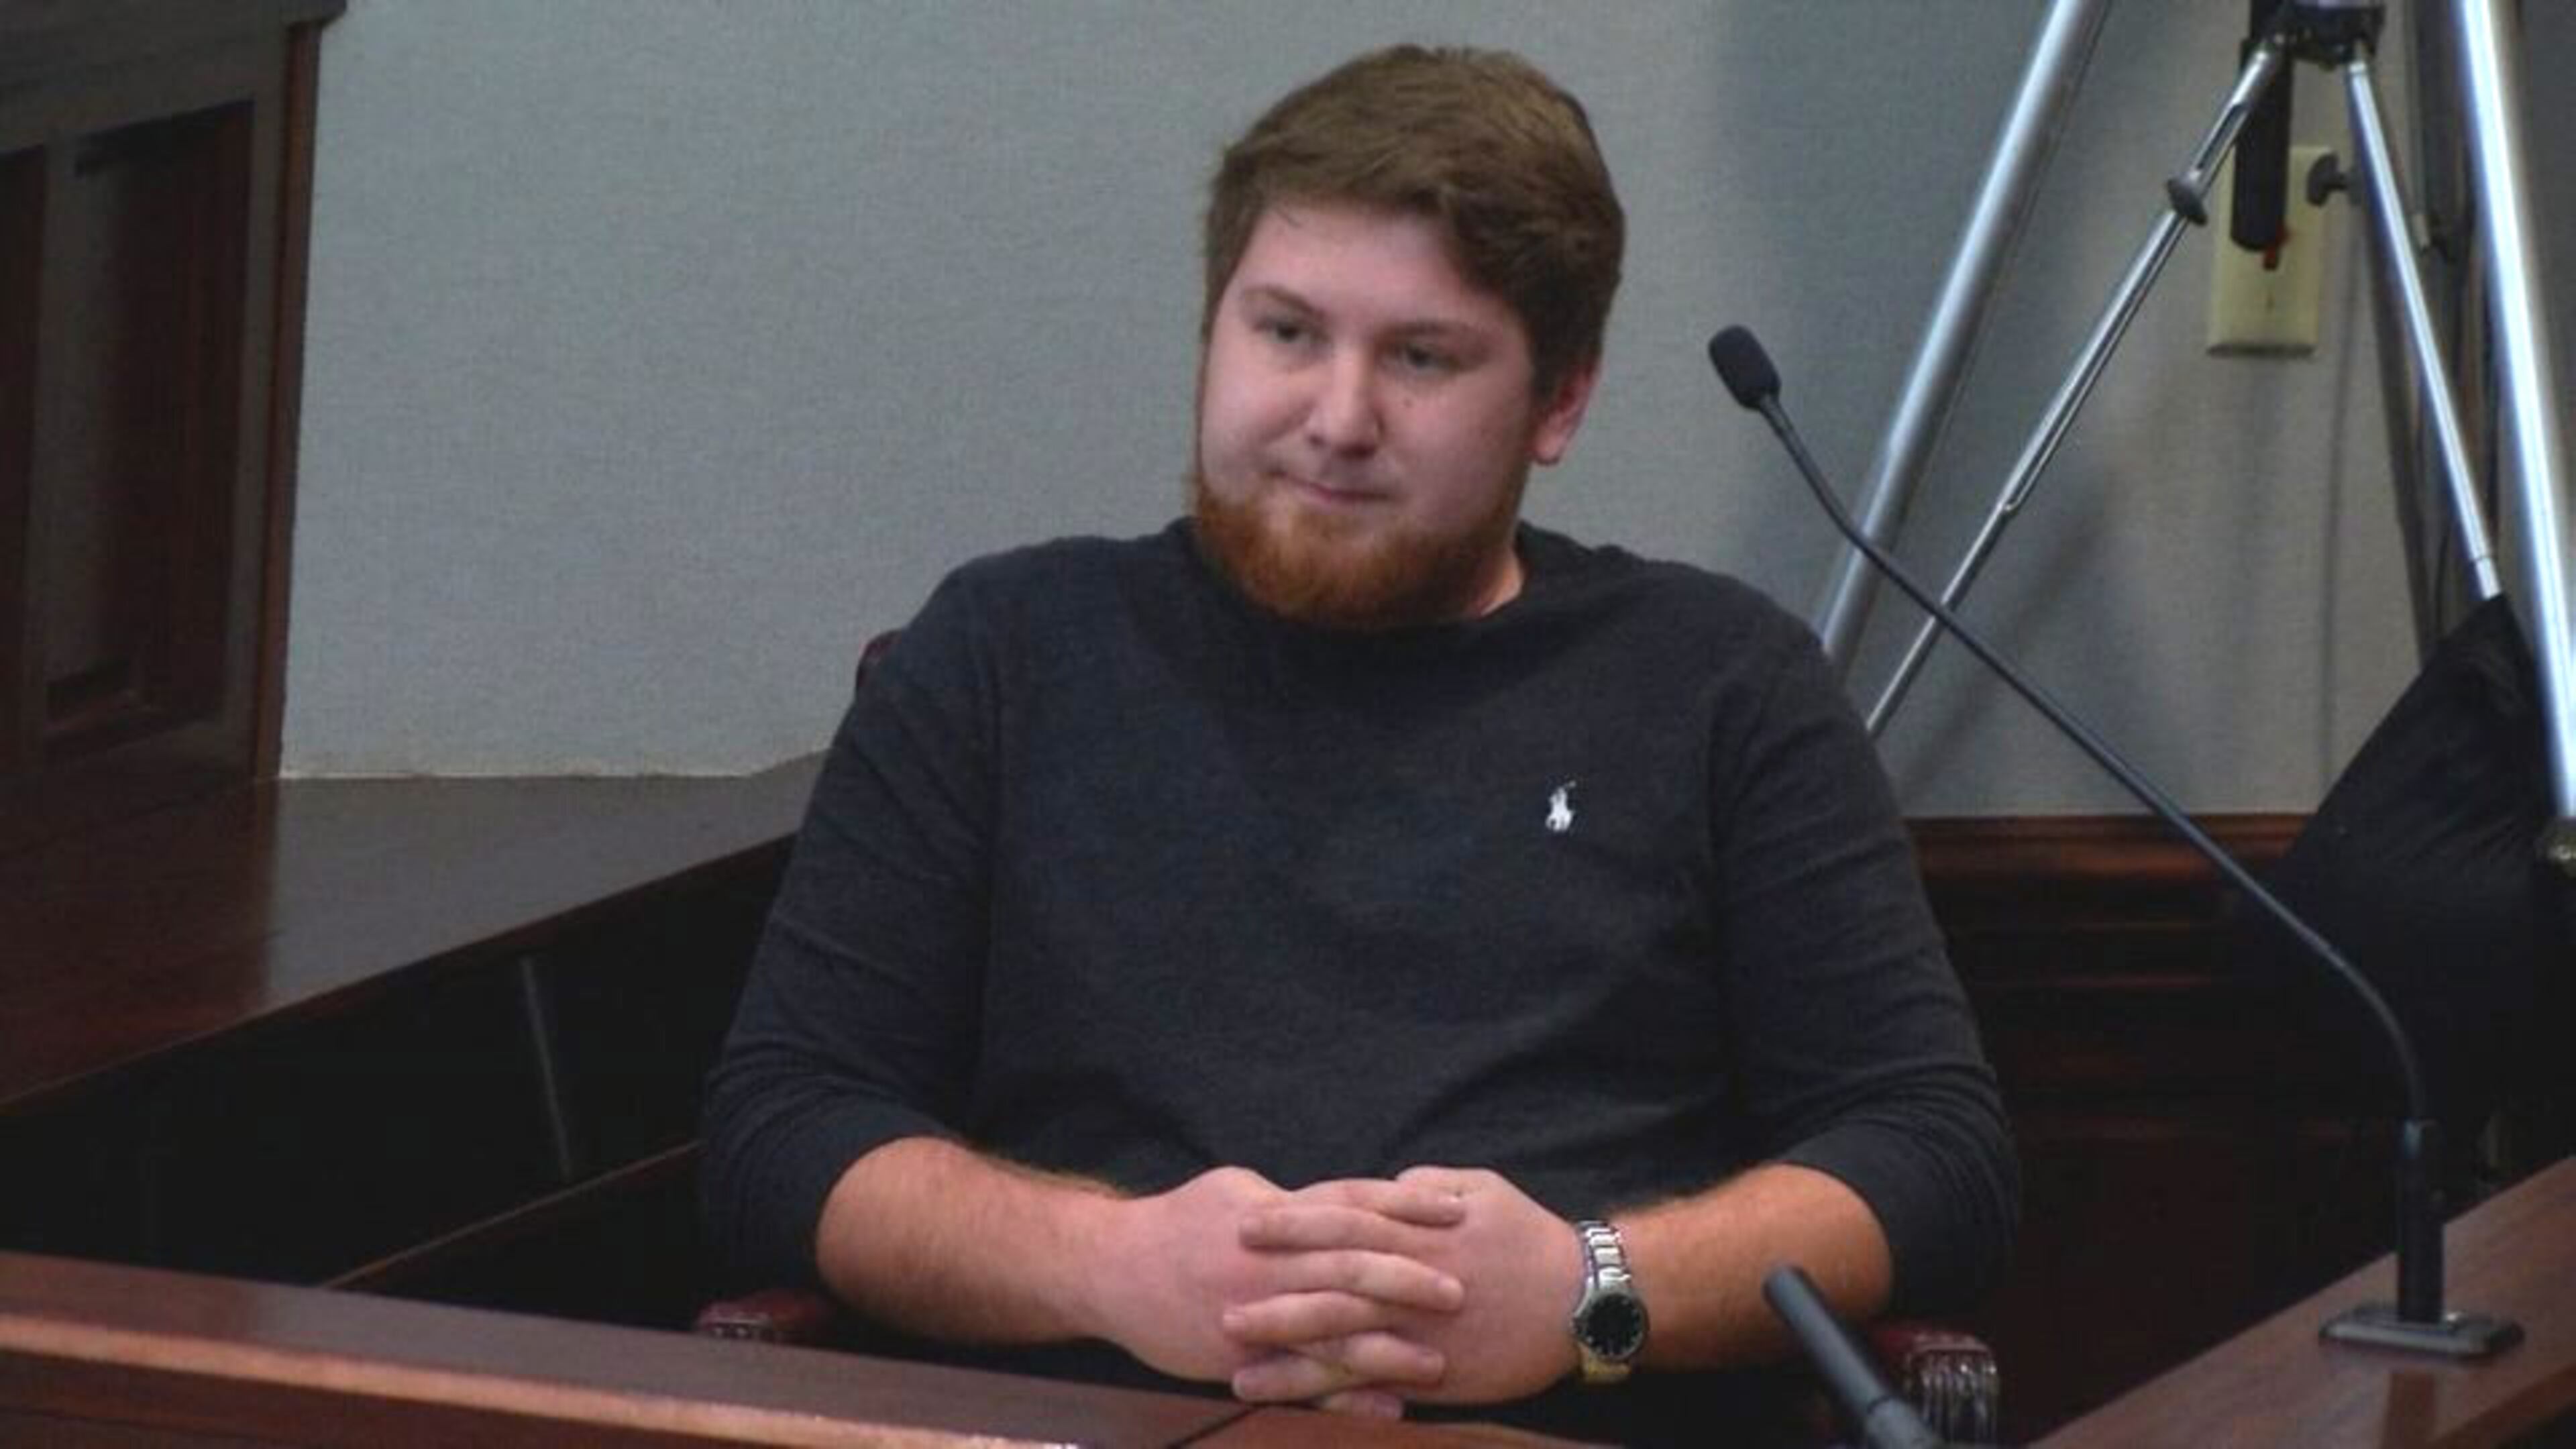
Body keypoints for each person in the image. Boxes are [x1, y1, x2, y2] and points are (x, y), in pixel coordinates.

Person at [703, 42, 2015, 1445]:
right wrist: (1112, 1266)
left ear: (1560, 402)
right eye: (1285, 334)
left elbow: (1930, 1156)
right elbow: (785, 1127)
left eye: (1421, 358)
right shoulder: (1003, 654)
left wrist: (1586, 1295)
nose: (1337, 421)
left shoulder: (1719, 684)